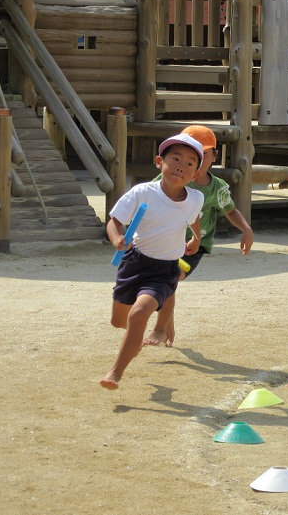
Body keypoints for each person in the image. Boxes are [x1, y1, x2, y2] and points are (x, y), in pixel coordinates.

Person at [100, 133, 205, 390]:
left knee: (138, 316)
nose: (181, 165)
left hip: (165, 269)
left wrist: (196, 238)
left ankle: (115, 372)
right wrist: (116, 240)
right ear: (160, 162)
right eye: (175, 159)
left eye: (190, 163)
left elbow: (193, 219)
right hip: (134, 263)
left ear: (196, 174)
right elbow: (114, 221)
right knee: (118, 322)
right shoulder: (142, 193)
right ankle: (164, 312)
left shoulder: (195, 198)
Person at [143, 125, 254, 347]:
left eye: (202, 154)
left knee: (171, 278)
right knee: (160, 283)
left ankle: (161, 326)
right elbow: (146, 201)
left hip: (195, 245)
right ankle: (168, 318)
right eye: (184, 154)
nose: (194, 160)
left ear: (215, 155)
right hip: (164, 241)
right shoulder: (165, 180)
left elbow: (230, 210)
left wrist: (246, 229)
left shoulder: (217, 188)